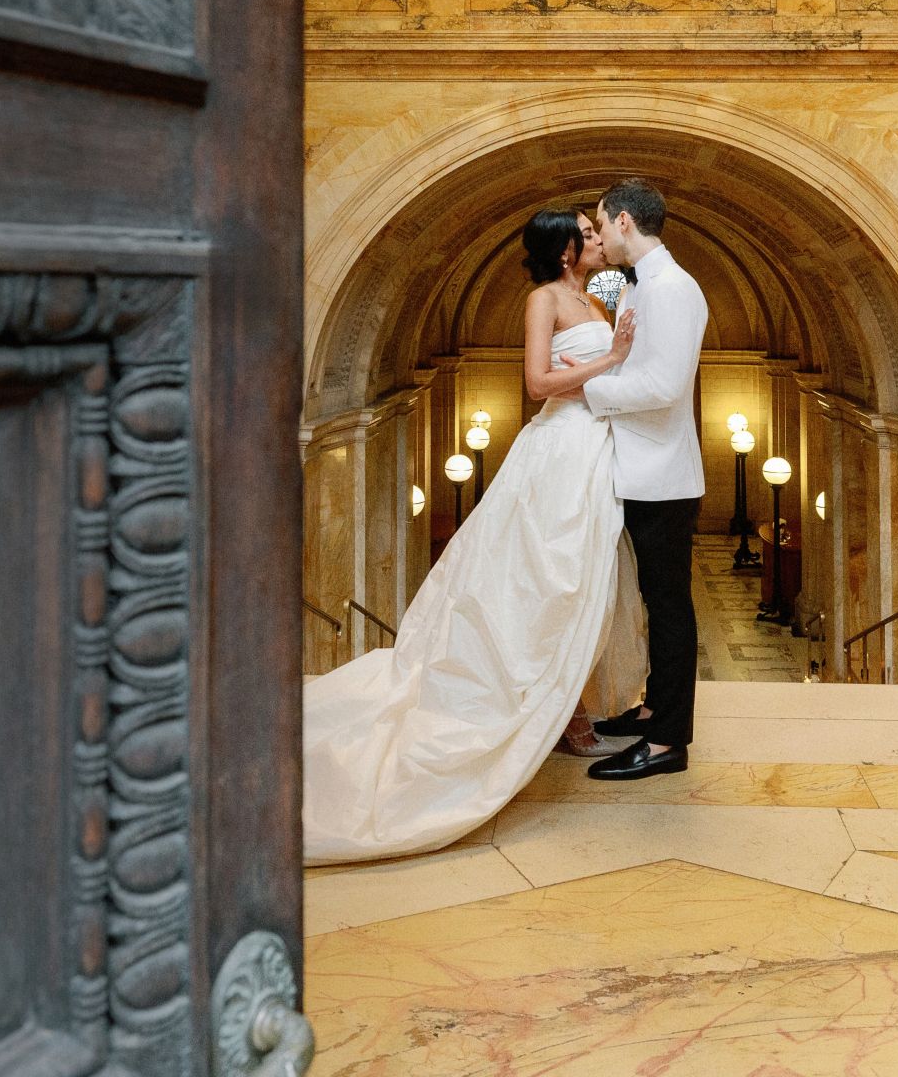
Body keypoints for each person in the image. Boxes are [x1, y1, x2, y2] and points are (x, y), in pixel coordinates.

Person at [303, 208, 639, 864]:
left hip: (597, 451)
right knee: (545, 578)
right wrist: (614, 362)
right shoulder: (543, 299)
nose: (597, 240)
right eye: (587, 234)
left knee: (586, 583)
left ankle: (567, 711)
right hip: (560, 450)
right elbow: (538, 382)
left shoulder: (591, 296)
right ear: (567, 250)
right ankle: (526, 705)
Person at [579, 179, 710, 780]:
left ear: (625, 222)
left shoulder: (674, 289)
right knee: (653, 602)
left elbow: (664, 387)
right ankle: (655, 708)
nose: (600, 237)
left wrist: (592, 391)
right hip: (642, 470)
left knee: (670, 607)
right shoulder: (644, 286)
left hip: (664, 477)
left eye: (602, 225)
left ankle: (666, 744)